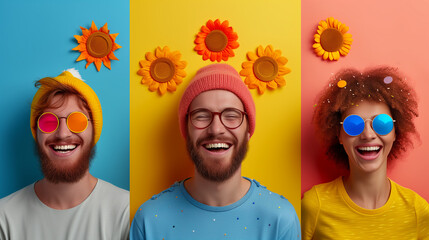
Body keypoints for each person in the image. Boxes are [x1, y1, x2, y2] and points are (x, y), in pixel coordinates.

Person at [130, 64, 300, 240]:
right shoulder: (148, 220)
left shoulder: (281, 219)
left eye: (232, 115)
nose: (216, 129)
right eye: (201, 116)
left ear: (248, 131)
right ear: (186, 132)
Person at [0, 69, 129, 240]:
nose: (62, 133)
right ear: (36, 133)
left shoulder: (127, 212)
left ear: (94, 131)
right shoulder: (4, 218)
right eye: (48, 121)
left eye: (77, 121)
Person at [302, 67, 429, 239]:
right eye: (353, 124)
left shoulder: (417, 211)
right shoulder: (314, 206)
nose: (368, 135)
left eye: (381, 123)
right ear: (339, 135)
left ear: (395, 132)